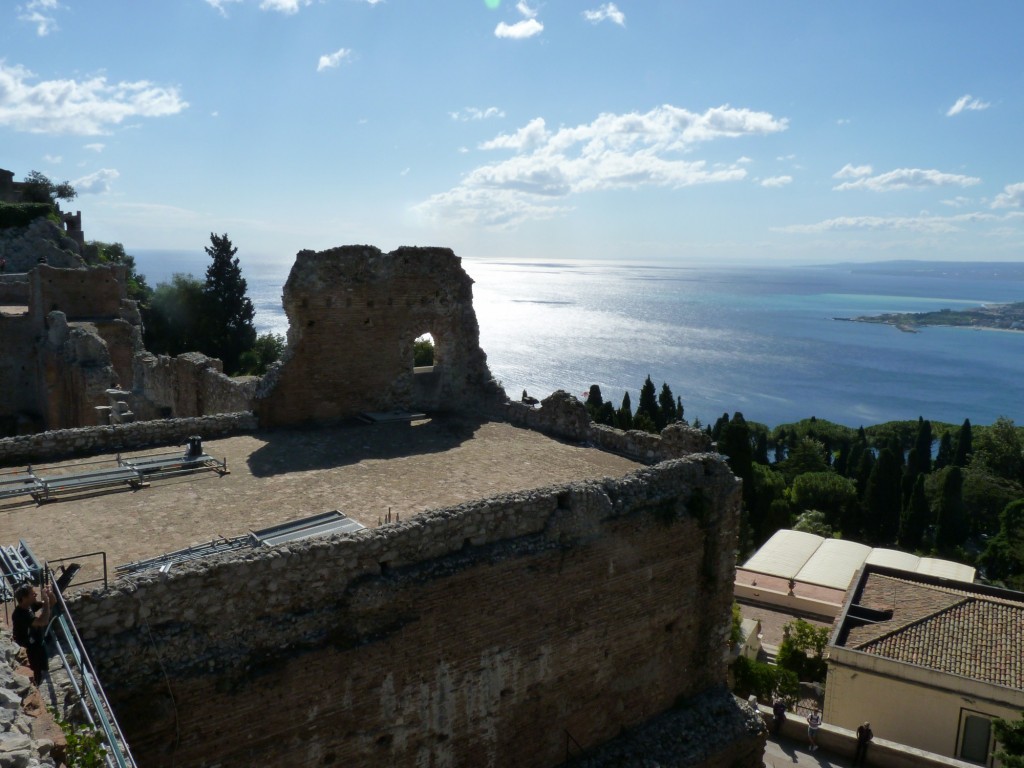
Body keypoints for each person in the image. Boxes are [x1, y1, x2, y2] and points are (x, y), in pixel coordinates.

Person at [11, 581, 54, 683]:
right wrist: (46, 602)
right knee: (36, 671)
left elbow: (52, 603)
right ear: (24, 598)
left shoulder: (29, 606)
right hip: (29, 647)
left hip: (37, 641)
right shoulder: (21, 615)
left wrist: (50, 594)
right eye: (32, 594)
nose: (36, 595)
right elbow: (43, 621)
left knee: (43, 667)